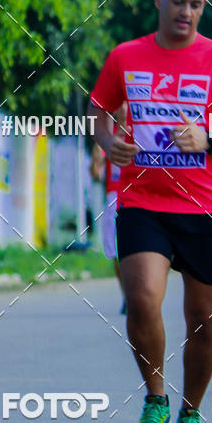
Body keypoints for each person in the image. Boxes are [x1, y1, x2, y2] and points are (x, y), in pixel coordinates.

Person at [90, 0, 212, 423]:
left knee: (204, 318)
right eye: (179, 0)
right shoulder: (126, 56)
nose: (187, 11)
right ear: (158, 0)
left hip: (206, 207)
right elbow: (99, 111)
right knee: (142, 296)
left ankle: (191, 413)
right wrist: (108, 142)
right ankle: (155, 400)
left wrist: (209, 137)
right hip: (142, 199)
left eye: (197, 4)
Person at [90, 106, 127, 313]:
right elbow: (95, 172)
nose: (122, 109)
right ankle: (126, 296)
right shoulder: (108, 137)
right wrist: (96, 159)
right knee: (116, 252)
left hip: (136, 196)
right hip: (114, 197)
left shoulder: (139, 133)